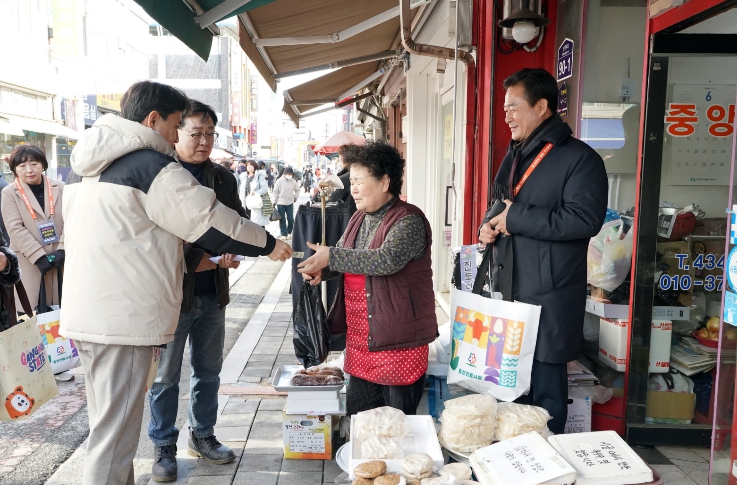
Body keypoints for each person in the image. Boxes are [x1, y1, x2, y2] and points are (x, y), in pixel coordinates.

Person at [59, 81, 292, 485]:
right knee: (113, 436)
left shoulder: (87, 166)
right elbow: (211, 221)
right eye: (176, 125)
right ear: (153, 119)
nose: (175, 136)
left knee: (109, 424)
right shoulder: (151, 165)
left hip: (89, 312)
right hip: (123, 317)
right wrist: (270, 244)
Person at [478, 68, 608, 434]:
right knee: (508, 391)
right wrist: (488, 225)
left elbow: (584, 219)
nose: (507, 115)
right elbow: (501, 203)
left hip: (548, 295)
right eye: (505, 108)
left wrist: (515, 217)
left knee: (545, 395)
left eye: (514, 107)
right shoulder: (516, 152)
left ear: (541, 107)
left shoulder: (580, 159)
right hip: (509, 289)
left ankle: (546, 457)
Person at [297, 141, 436, 416]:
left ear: (385, 182)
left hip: (398, 341)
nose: (354, 189)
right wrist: (322, 270)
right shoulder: (358, 218)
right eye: (352, 182)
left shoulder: (408, 220)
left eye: (360, 181)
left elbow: (386, 260)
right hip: (362, 340)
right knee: (360, 418)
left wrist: (331, 256)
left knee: (395, 422)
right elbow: (346, 258)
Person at [147, 101, 246, 481]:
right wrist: (193, 259)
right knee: (165, 377)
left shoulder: (222, 178)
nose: (204, 141)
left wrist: (236, 250)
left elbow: (238, 222)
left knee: (208, 372)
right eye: (196, 133)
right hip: (172, 298)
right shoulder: (161, 175)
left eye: (210, 134)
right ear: (177, 133)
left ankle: (203, 435)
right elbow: (154, 236)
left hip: (213, 294)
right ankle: (163, 446)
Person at [2, 145, 64, 312]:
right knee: (32, 315)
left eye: (34, 164)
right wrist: (38, 256)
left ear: (43, 165)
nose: (29, 170)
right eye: (22, 166)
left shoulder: (61, 187)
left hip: (61, 260)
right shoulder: (9, 193)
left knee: (65, 312)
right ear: (15, 169)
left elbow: (71, 220)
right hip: (30, 262)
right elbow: (15, 228)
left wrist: (63, 249)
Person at [272, 166, 299, 241]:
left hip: (290, 202)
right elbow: (275, 192)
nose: (289, 176)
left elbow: (297, 190)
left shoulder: (293, 182)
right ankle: (284, 234)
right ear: (284, 174)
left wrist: (295, 197)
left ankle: (289, 231)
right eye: (288, 174)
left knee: (290, 219)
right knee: (282, 219)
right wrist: (274, 201)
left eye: (291, 174)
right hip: (280, 203)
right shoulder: (279, 181)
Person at [249, 161, 271, 227]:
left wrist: (255, 193)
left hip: (256, 202)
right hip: (247, 202)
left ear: (255, 167)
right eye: (247, 165)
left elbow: (264, 188)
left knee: (258, 224)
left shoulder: (259, 176)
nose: (249, 167)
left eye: (251, 165)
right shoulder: (244, 177)